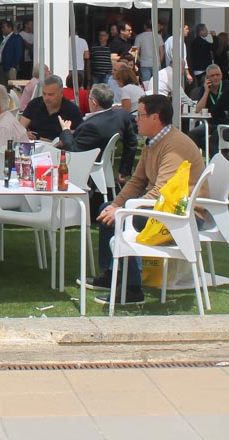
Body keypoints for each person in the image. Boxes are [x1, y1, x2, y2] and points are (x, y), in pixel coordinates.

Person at [87, 94, 206, 302]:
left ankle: (132, 288)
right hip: (165, 209)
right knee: (106, 209)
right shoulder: (153, 142)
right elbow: (137, 182)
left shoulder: (175, 145)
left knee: (124, 217)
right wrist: (116, 204)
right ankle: (111, 273)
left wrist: (124, 210)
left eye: (140, 115)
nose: (136, 119)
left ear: (155, 118)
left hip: (183, 216)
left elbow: (161, 191)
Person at [58, 84, 136, 177]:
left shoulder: (91, 126)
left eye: (88, 98)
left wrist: (65, 130)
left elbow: (74, 151)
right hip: (103, 159)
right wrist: (124, 170)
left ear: (94, 102)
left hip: (86, 164)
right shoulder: (121, 115)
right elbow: (132, 142)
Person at [20, 74, 83, 141]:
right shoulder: (34, 104)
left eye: (51, 95)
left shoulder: (72, 110)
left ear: (61, 93)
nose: (46, 98)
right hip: (35, 147)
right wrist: (25, 134)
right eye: (44, 93)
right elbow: (20, 129)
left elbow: (79, 135)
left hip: (59, 149)